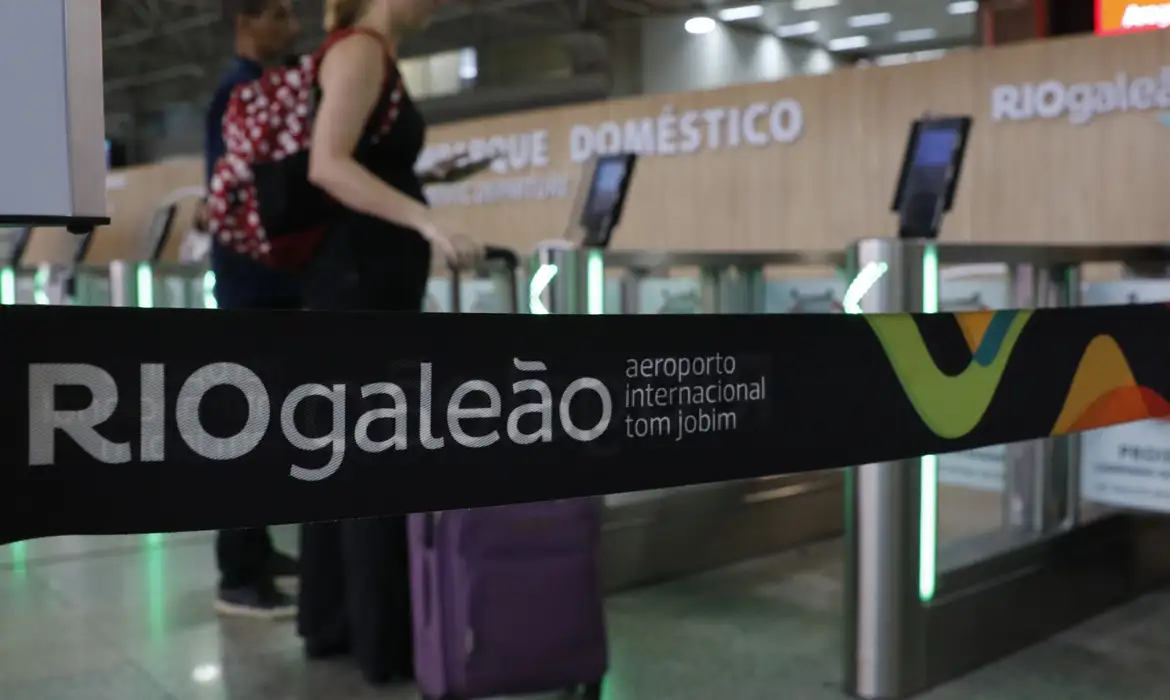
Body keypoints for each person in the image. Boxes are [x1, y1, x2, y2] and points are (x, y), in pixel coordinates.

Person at [294, 0, 484, 685]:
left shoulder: (372, 53)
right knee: (373, 457)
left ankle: (338, 623)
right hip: (357, 288)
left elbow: (362, 163)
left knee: (347, 458)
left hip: (362, 283)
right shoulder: (361, 49)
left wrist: (421, 187)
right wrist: (427, 223)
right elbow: (327, 165)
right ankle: (381, 640)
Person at [201, 0, 302, 620]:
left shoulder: (258, 91)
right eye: (281, 16)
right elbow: (234, 194)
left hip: (272, 284)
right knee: (245, 426)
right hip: (250, 286)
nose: (292, 28)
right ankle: (237, 572)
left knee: (268, 427)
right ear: (247, 19)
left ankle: (256, 550)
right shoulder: (235, 95)